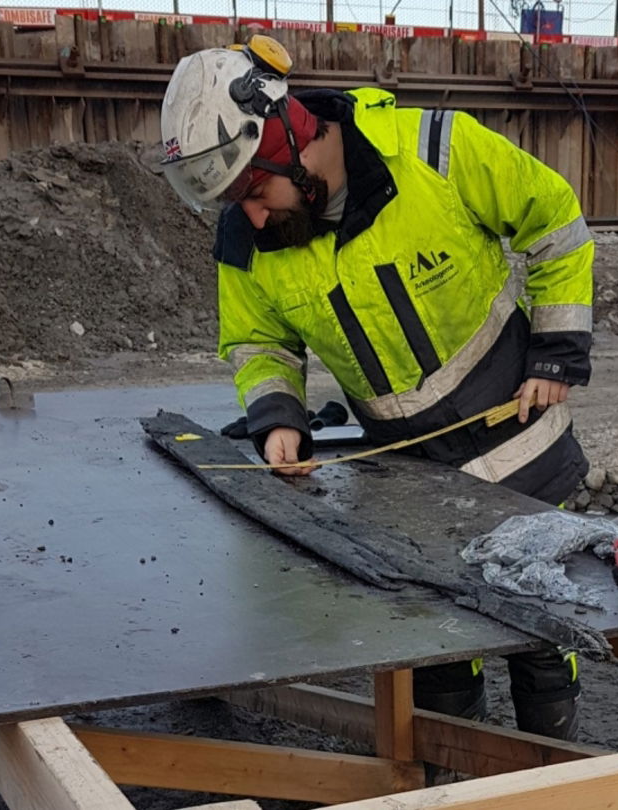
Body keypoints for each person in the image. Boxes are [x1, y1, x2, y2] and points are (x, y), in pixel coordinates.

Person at [159, 36, 595, 741]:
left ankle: (555, 770)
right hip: (408, 476)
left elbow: (555, 224)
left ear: (289, 138)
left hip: (522, 451)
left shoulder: (437, 152)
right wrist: (278, 417)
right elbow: (258, 342)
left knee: (544, 640)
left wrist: (555, 353)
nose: (255, 217)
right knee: (438, 649)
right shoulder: (247, 241)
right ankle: (456, 779)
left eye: (255, 192)